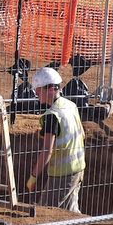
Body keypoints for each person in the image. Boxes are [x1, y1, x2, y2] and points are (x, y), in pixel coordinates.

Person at [24, 66, 85, 213]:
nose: (37, 94)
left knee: (46, 212)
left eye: (38, 91)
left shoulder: (52, 115)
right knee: (70, 210)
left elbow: (47, 151)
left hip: (62, 174)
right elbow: (80, 133)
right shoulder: (70, 105)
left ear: (50, 89)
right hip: (78, 168)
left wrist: (33, 177)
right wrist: (46, 133)